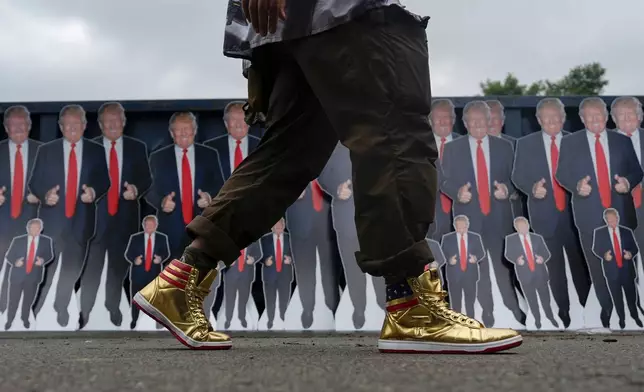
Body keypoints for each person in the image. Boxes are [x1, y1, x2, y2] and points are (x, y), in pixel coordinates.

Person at [132, 0, 521, 353]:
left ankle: (182, 280)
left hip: (298, 21)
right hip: (339, 10)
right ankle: (413, 305)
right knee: (394, 132)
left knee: (290, 150)